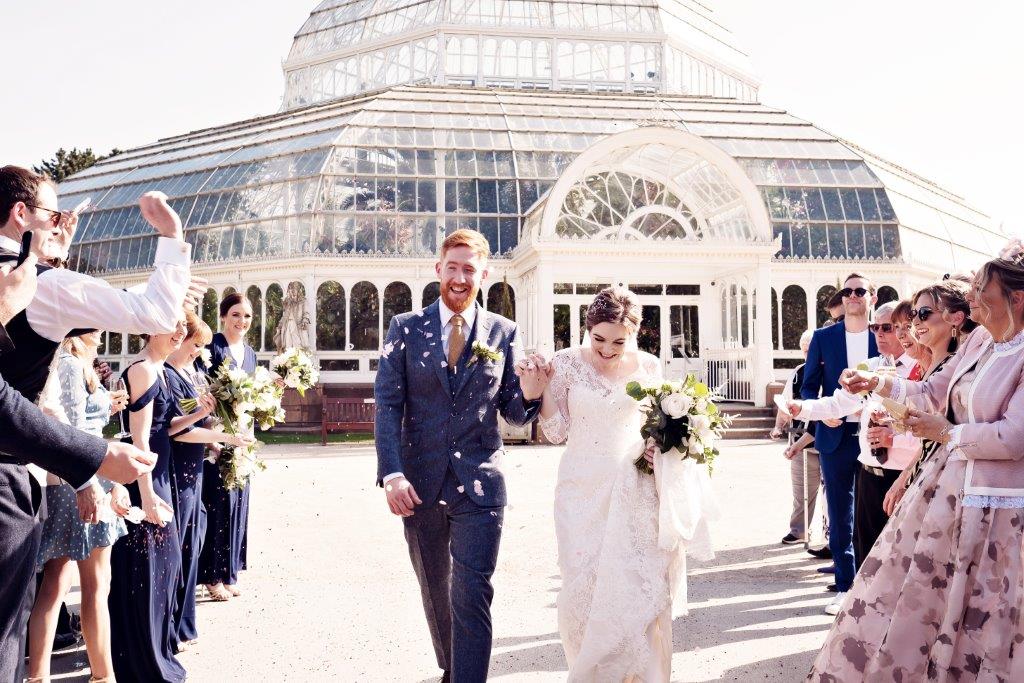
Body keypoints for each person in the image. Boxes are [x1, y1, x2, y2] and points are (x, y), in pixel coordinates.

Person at [810, 245, 1024, 680]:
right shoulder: (982, 340)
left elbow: (1015, 437)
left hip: (999, 507)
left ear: (1017, 297)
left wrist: (947, 433)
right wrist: (879, 381)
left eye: (984, 288)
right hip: (948, 491)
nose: (975, 296)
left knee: (985, 612)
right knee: (919, 599)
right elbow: (933, 390)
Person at [374, 229, 544, 682]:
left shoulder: (504, 332)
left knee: (472, 594)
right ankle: (455, 669)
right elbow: (389, 405)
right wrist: (392, 473)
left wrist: (531, 392)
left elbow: (514, 409)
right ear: (438, 270)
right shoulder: (405, 329)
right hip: (419, 485)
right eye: (453, 266)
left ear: (483, 275)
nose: (460, 277)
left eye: (470, 269)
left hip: (481, 486)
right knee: (436, 592)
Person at [538, 286, 715, 681]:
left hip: (634, 490)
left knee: (635, 587)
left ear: (634, 333)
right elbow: (553, 432)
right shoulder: (565, 363)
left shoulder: (649, 366)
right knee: (579, 592)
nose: (607, 349)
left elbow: (654, 429)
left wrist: (658, 449)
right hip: (579, 490)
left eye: (619, 341)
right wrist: (542, 389)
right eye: (599, 339)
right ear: (587, 330)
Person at [785, 303, 921, 580]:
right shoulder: (869, 368)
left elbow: (935, 425)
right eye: (875, 328)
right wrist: (805, 408)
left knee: (901, 559)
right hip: (869, 472)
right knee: (867, 554)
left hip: (904, 476)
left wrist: (894, 437)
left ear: (905, 329)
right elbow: (839, 404)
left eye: (888, 327)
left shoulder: (922, 369)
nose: (879, 334)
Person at [26, 332, 130, 682]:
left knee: (59, 581)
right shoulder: (70, 363)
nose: (101, 331)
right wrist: (104, 481)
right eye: (94, 324)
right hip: (83, 480)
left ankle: (41, 676)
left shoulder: (73, 363)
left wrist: (105, 404)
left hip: (76, 478)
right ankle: (102, 676)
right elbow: (70, 430)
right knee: (91, 583)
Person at [109, 315, 189, 683]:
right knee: (147, 570)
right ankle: (141, 665)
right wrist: (148, 498)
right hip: (146, 479)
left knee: (165, 566)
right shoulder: (141, 371)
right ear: (150, 327)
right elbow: (139, 440)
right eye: (172, 327)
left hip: (160, 475)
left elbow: (167, 427)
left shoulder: (161, 370)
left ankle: (155, 652)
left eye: (183, 329)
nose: (180, 334)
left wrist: (204, 411)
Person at [166, 309, 252, 645]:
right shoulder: (173, 373)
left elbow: (200, 416)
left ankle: (184, 624)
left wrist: (223, 437)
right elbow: (180, 426)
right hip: (185, 465)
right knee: (187, 540)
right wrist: (223, 438)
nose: (198, 351)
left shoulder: (190, 371)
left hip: (201, 460)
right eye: (194, 345)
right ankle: (176, 624)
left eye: (200, 346)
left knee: (194, 538)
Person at [800, 273, 878, 615]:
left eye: (860, 290)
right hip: (835, 436)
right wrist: (821, 415)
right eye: (847, 291)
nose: (853, 296)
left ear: (872, 297)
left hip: (875, 435)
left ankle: (874, 584)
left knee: (874, 511)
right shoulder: (823, 337)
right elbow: (807, 387)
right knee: (840, 513)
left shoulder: (884, 335)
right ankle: (845, 585)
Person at [880, 280, 978, 514]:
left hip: (943, 478)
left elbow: (943, 436)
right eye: (915, 314)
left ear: (956, 318)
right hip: (924, 471)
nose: (915, 322)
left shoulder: (955, 370)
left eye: (924, 313)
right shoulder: (933, 369)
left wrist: (903, 479)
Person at [198, 292, 258, 601]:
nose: (242, 321)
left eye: (247, 316)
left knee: (238, 504)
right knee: (218, 504)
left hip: (242, 434)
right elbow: (202, 391)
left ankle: (230, 570)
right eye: (236, 314)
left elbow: (251, 396)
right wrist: (213, 436)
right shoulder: (212, 348)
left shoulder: (250, 353)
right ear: (223, 316)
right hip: (218, 436)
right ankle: (211, 575)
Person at [771, 328, 821, 546]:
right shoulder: (798, 372)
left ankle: (832, 537)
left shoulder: (831, 371)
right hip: (799, 441)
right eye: (804, 351)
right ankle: (799, 530)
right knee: (801, 491)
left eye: (811, 351)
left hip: (827, 442)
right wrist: (778, 427)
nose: (808, 356)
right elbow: (784, 404)